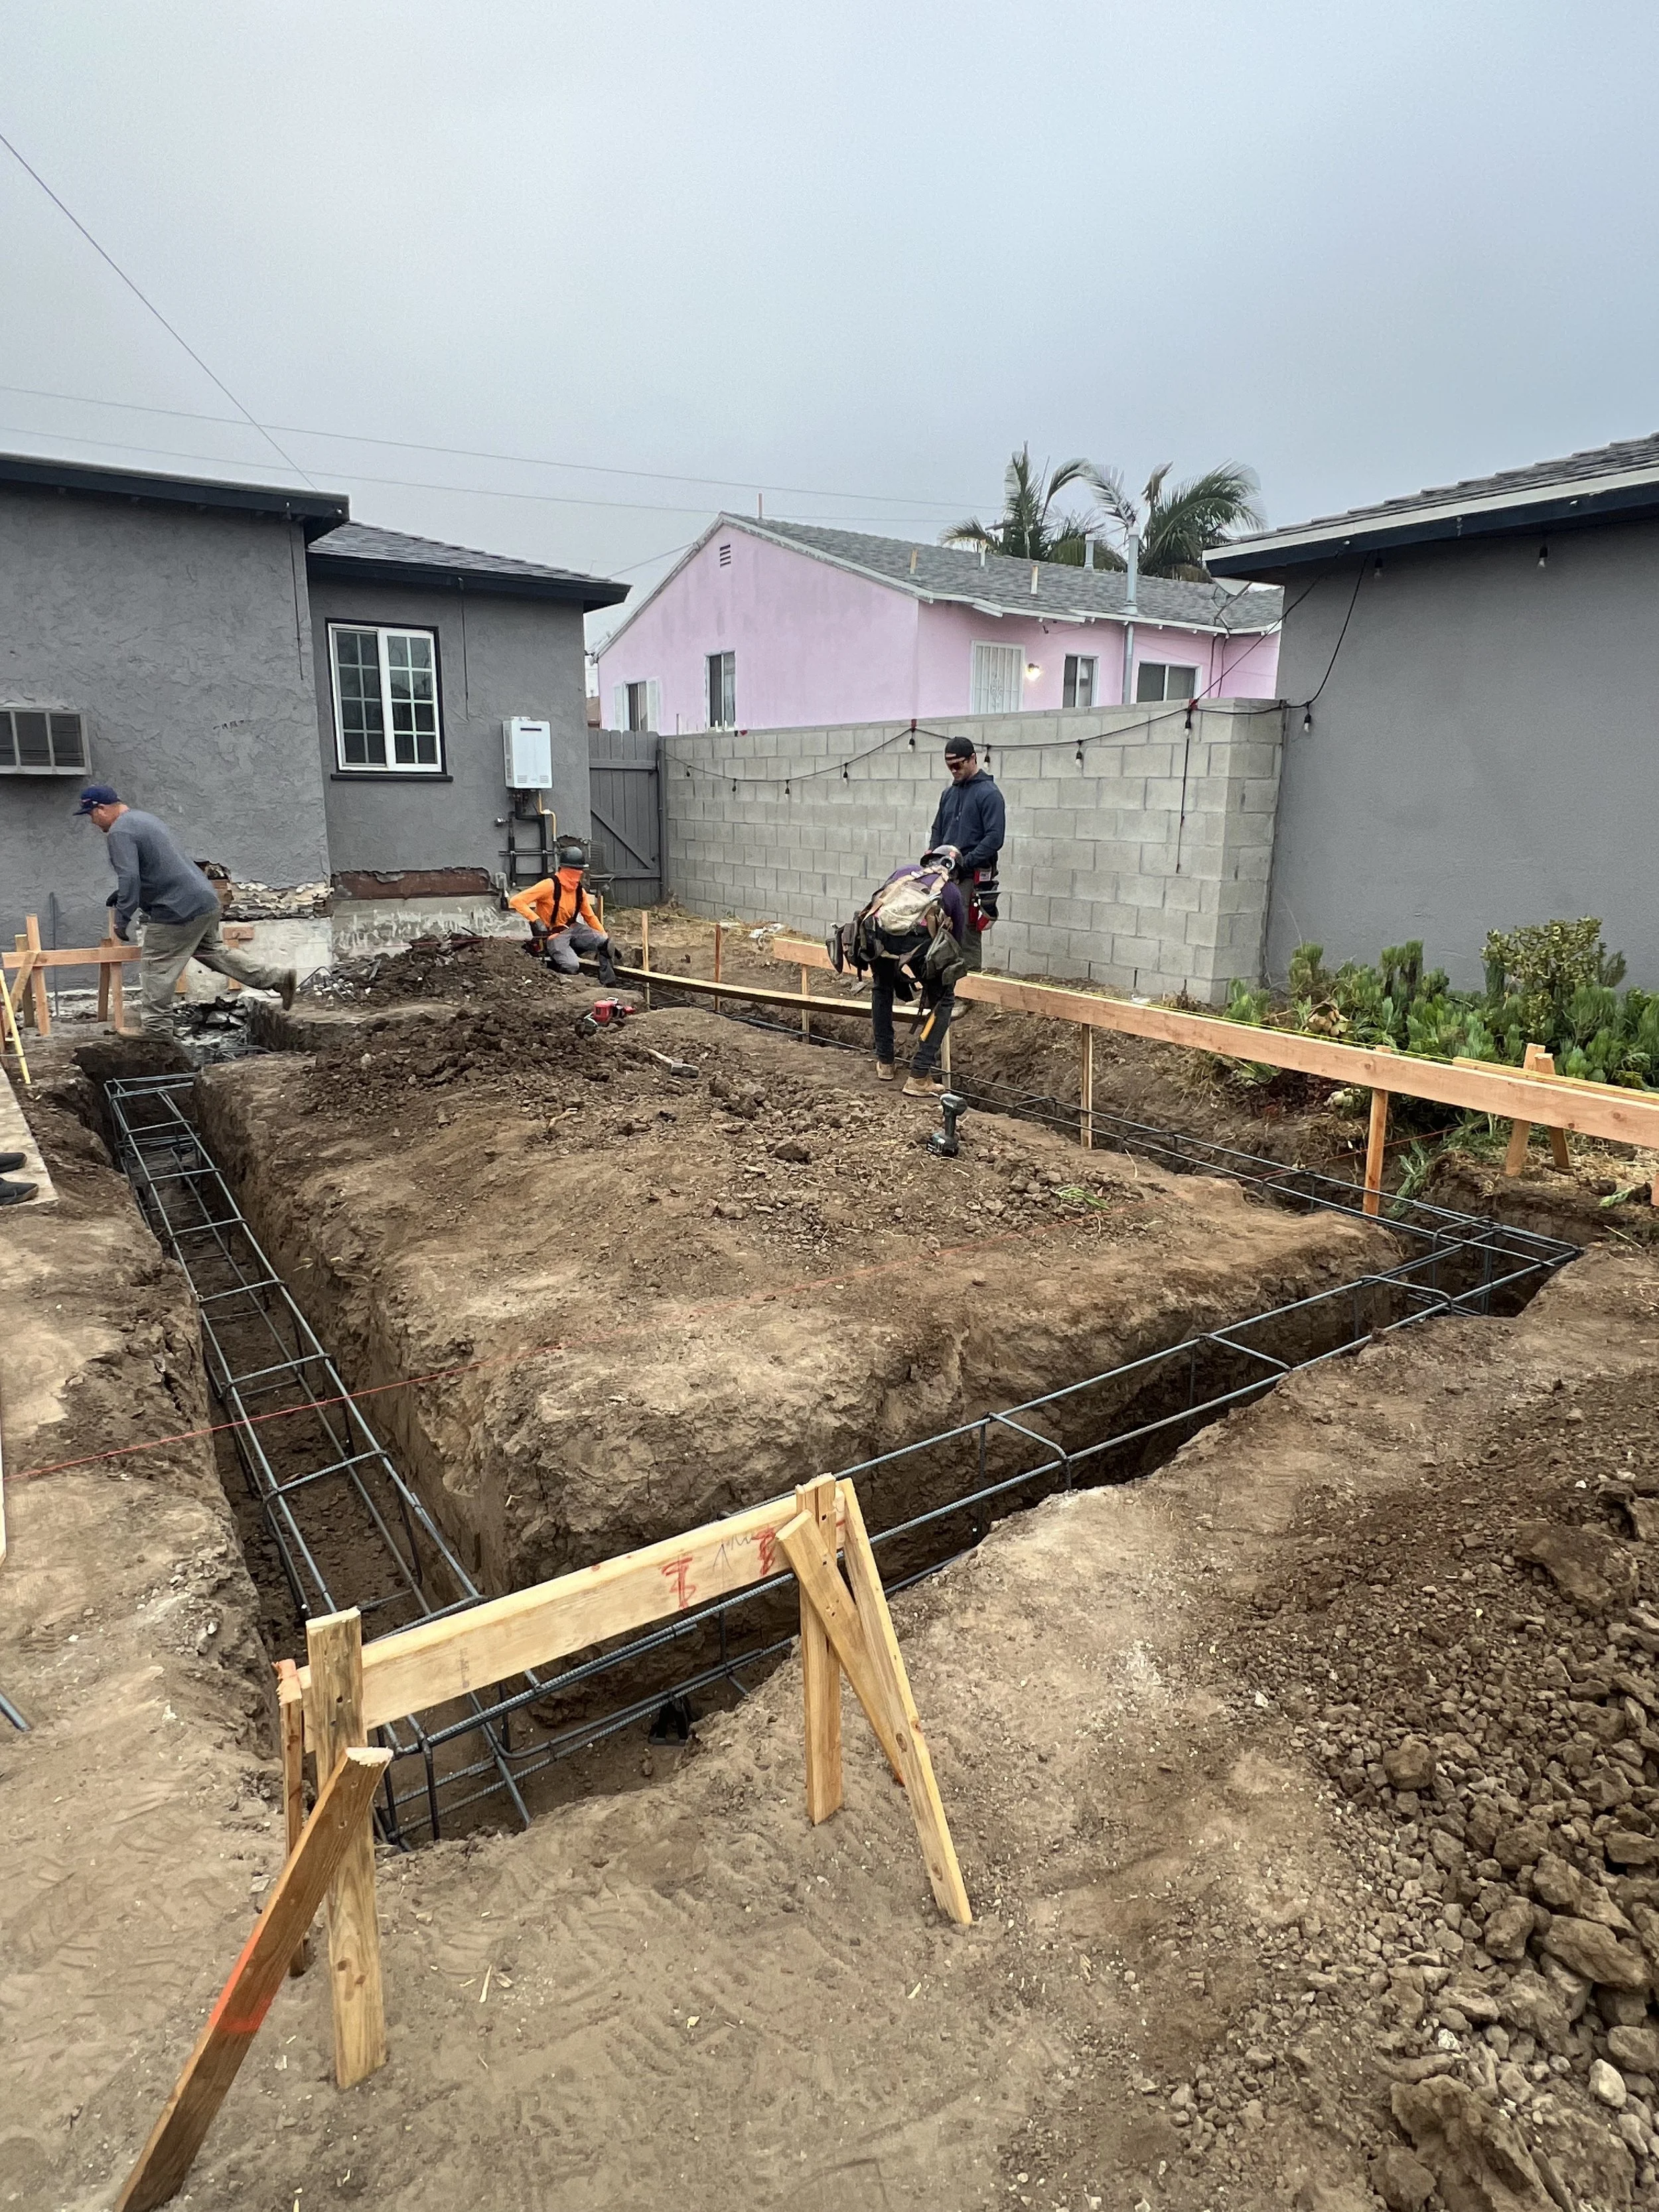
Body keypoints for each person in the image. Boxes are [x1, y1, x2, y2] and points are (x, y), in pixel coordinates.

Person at [74, 784, 296, 1037]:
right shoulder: (145, 820)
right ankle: (277, 978)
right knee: (213, 952)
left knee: (157, 964)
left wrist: (122, 918)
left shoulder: (119, 832)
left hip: (176, 909)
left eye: (91, 815)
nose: (92, 822)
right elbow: (157, 866)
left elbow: (130, 877)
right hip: (204, 900)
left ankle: (157, 1029)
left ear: (101, 809)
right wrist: (129, 896)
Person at [861, 847, 968, 1099]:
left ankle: (885, 1063)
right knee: (945, 1000)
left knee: (882, 988)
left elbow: (878, 902)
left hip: (878, 937)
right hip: (918, 945)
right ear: (956, 874)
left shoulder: (904, 872)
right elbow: (956, 941)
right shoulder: (951, 891)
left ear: (927, 861)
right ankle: (919, 1075)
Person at [928, 735, 1005, 972]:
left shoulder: (989, 794)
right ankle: (942, 993)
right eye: (949, 766)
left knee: (967, 934)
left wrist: (964, 863)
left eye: (958, 765)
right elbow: (938, 828)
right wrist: (934, 856)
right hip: (946, 874)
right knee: (941, 929)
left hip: (972, 877)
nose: (954, 771)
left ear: (973, 758)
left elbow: (994, 838)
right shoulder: (948, 795)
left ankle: (967, 992)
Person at [506, 837, 620, 984]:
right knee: (572, 966)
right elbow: (516, 901)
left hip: (574, 929)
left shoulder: (579, 892)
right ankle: (562, 980)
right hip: (555, 935)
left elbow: (590, 916)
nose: (577, 875)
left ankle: (608, 983)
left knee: (605, 943)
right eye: (575, 871)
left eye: (580, 871)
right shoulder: (549, 886)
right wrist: (536, 920)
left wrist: (604, 938)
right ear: (564, 869)